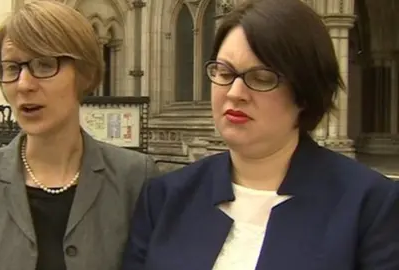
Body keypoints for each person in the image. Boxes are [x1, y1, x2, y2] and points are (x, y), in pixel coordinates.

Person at [121, 0, 399, 269]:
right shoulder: (165, 197)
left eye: (262, 78)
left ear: (305, 91)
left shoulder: (371, 207)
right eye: (224, 73)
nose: (234, 93)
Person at [0, 1, 158, 270]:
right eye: (12, 68)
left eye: (44, 64)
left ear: (85, 74)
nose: (24, 84)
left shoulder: (136, 178)